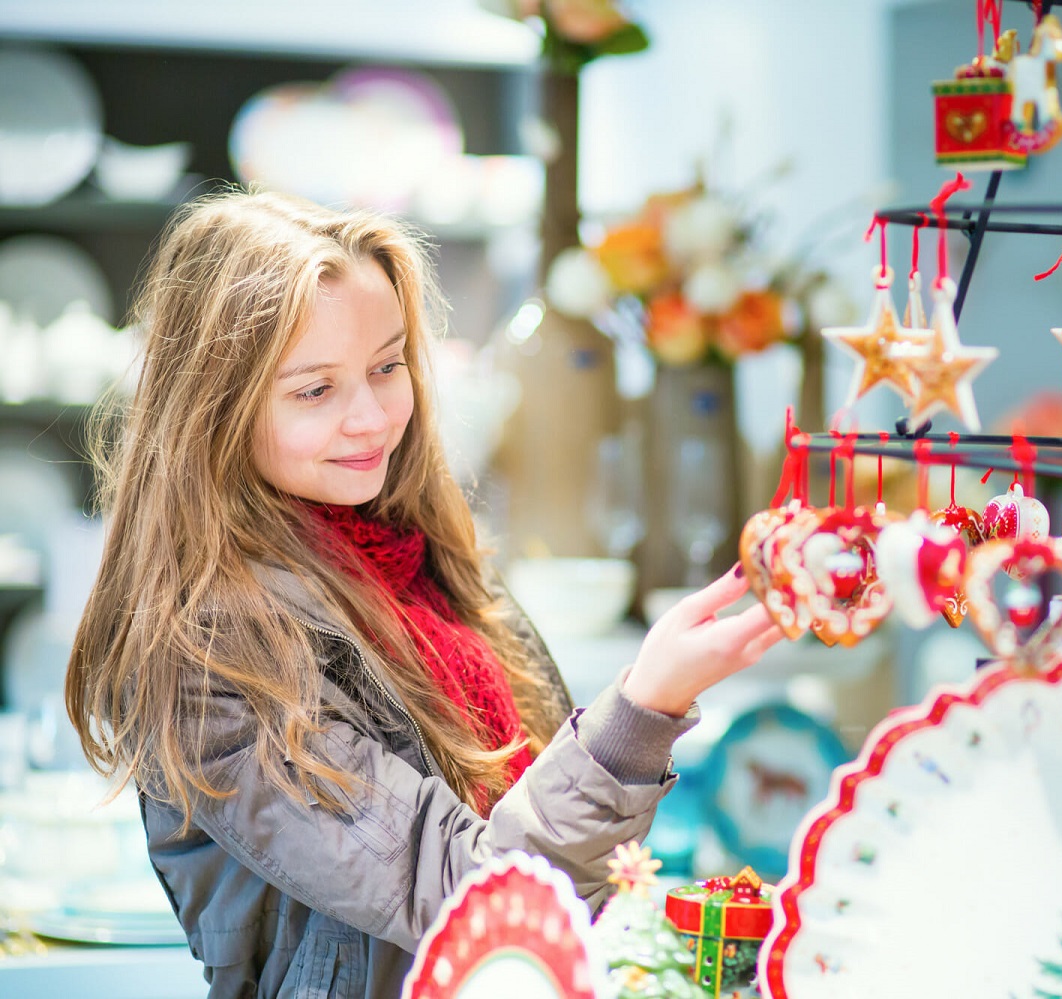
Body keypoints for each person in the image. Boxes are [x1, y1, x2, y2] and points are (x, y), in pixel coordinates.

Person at [64, 189, 784, 997]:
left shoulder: (422, 559)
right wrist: (644, 707)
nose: (371, 417)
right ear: (216, 409)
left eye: (386, 365)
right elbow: (475, 896)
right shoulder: (209, 651)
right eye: (315, 391)